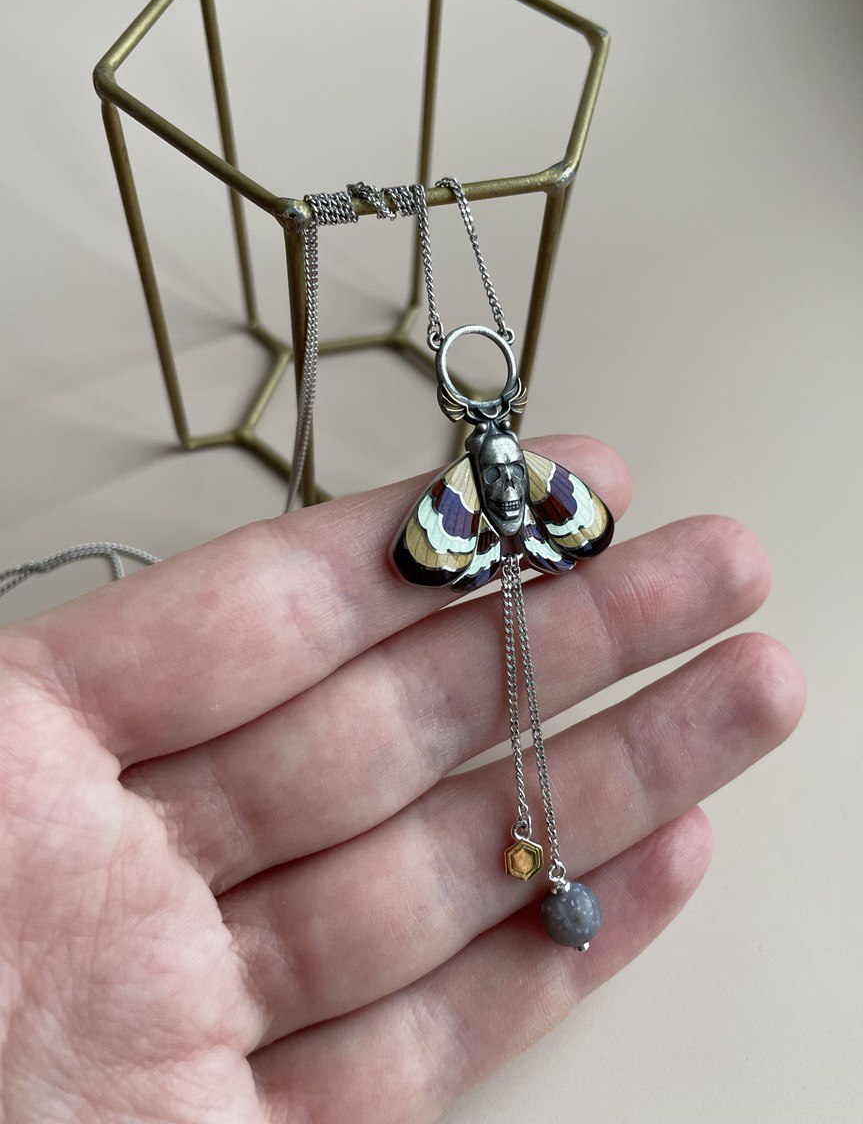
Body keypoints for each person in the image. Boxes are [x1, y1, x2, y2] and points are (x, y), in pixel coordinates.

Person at [0, 436, 804, 1123]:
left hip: (513, 553)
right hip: (503, 555)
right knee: (519, 703)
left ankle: (549, 865)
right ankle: (548, 864)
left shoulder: (515, 477)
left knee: (523, 702)